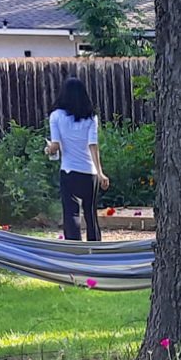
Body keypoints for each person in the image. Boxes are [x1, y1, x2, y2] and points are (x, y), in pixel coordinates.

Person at [44, 77, 110, 241]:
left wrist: (47, 150)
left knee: (71, 212)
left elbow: (55, 146)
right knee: (90, 213)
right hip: (89, 172)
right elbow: (93, 145)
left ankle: (74, 249)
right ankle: (95, 248)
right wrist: (100, 173)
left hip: (69, 170)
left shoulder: (56, 116)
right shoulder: (91, 117)